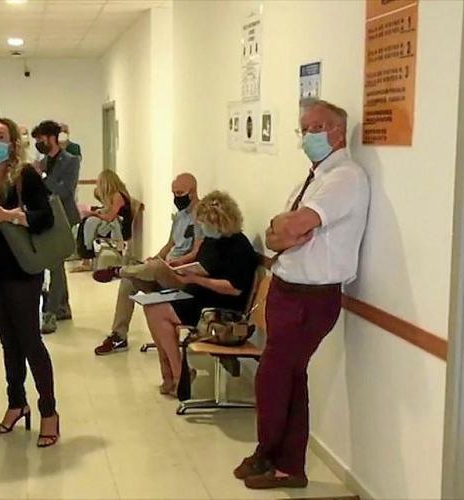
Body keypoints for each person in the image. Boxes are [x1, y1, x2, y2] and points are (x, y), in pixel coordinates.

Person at [236, 100, 369, 490]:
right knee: (289, 378)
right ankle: (287, 465)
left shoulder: (345, 178)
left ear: (337, 132)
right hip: (286, 289)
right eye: (304, 129)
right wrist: (284, 229)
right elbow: (277, 234)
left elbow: (295, 226)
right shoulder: (312, 179)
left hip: (310, 298)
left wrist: (287, 228)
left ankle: (270, 455)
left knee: (273, 378)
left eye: (315, 128)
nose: (307, 137)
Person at [0, 117, 60, 448]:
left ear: (12, 143)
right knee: (8, 343)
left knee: (30, 341)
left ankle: (49, 411)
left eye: (0, 136)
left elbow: (44, 218)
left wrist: (8, 215)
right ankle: (16, 403)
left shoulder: (25, 175)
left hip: (22, 270)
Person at [142, 191, 257, 396]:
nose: (202, 227)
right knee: (150, 306)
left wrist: (196, 279)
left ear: (220, 222)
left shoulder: (239, 247)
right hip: (200, 296)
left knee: (157, 312)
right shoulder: (213, 240)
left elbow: (234, 288)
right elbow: (205, 265)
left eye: (205, 223)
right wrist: (182, 268)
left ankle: (178, 375)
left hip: (220, 309)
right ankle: (171, 373)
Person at [93, 173, 203, 355]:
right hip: (167, 269)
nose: (176, 198)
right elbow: (170, 244)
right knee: (129, 282)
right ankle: (119, 336)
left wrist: (176, 262)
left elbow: (197, 252)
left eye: (180, 193)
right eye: (174, 193)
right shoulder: (180, 216)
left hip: (182, 275)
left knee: (155, 267)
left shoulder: (201, 216)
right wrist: (156, 257)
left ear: (192, 192)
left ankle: (119, 271)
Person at [32, 120, 80, 334]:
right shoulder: (42, 162)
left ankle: (51, 311)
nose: (39, 143)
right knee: (55, 263)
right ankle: (62, 306)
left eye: (41, 139)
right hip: (45, 217)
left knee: (56, 263)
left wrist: (42, 177)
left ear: (52, 138)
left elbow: (65, 190)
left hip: (63, 218)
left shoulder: (71, 161)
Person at [72, 169, 133, 273]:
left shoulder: (118, 196)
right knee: (87, 221)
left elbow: (110, 217)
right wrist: (98, 212)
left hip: (120, 229)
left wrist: (95, 214)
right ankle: (86, 258)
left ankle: (86, 259)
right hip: (115, 225)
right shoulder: (115, 195)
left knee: (88, 222)